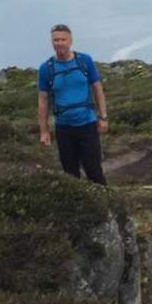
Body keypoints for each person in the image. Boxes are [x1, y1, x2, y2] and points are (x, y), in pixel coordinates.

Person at [37, 24, 108, 184]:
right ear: (52, 42)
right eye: (56, 40)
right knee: (70, 174)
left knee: (94, 171)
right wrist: (44, 131)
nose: (59, 43)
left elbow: (97, 88)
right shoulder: (46, 69)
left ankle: (106, 207)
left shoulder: (84, 61)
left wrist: (103, 117)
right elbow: (43, 100)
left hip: (87, 124)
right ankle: (79, 208)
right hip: (63, 128)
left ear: (70, 41)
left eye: (63, 39)